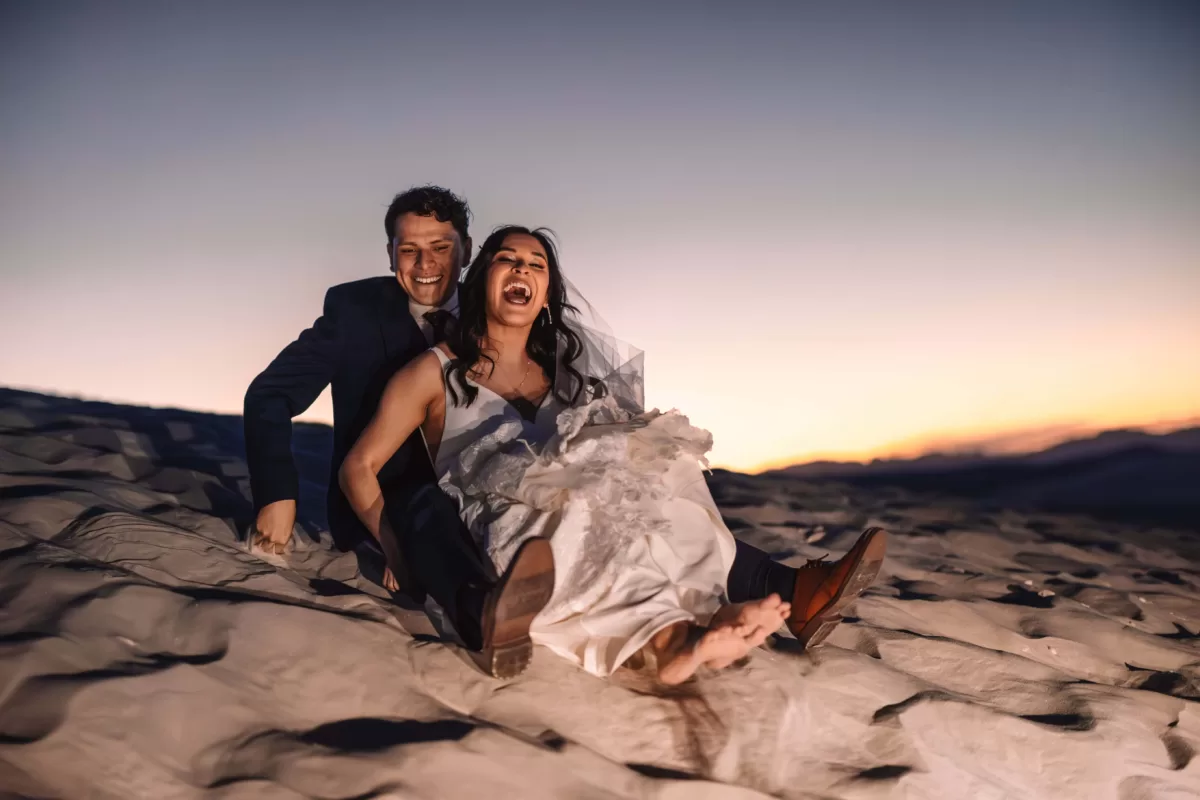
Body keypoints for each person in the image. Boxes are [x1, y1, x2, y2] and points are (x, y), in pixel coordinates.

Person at [243, 186, 884, 676]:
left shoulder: (553, 359)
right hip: (422, 504)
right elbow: (290, 410)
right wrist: (286, 500)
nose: (426, 263)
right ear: (390, 254)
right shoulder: (371, 324)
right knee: (513, 523)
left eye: (441, 248)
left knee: (647, 494)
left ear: (464, 255)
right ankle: (501, 613)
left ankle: (777, 594)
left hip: (543, 485)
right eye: (408, 249)